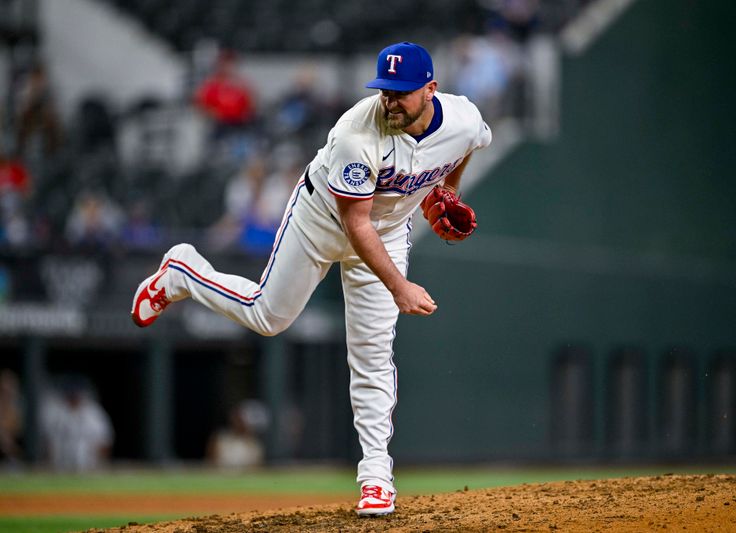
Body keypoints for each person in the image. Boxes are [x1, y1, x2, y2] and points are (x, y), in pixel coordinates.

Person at [132, 42, 492, 516]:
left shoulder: (463, 119)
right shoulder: (355, 134)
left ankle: (376, 476)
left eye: (402, 92)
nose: (390, 101)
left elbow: (468, 144)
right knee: (268, 317)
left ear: (430, 90)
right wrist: (399, 287)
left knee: (372, 352)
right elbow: (356, 224)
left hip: (387, 231)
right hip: (323, 219)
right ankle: (183, 272)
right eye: (385, 90)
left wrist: (445, 191)